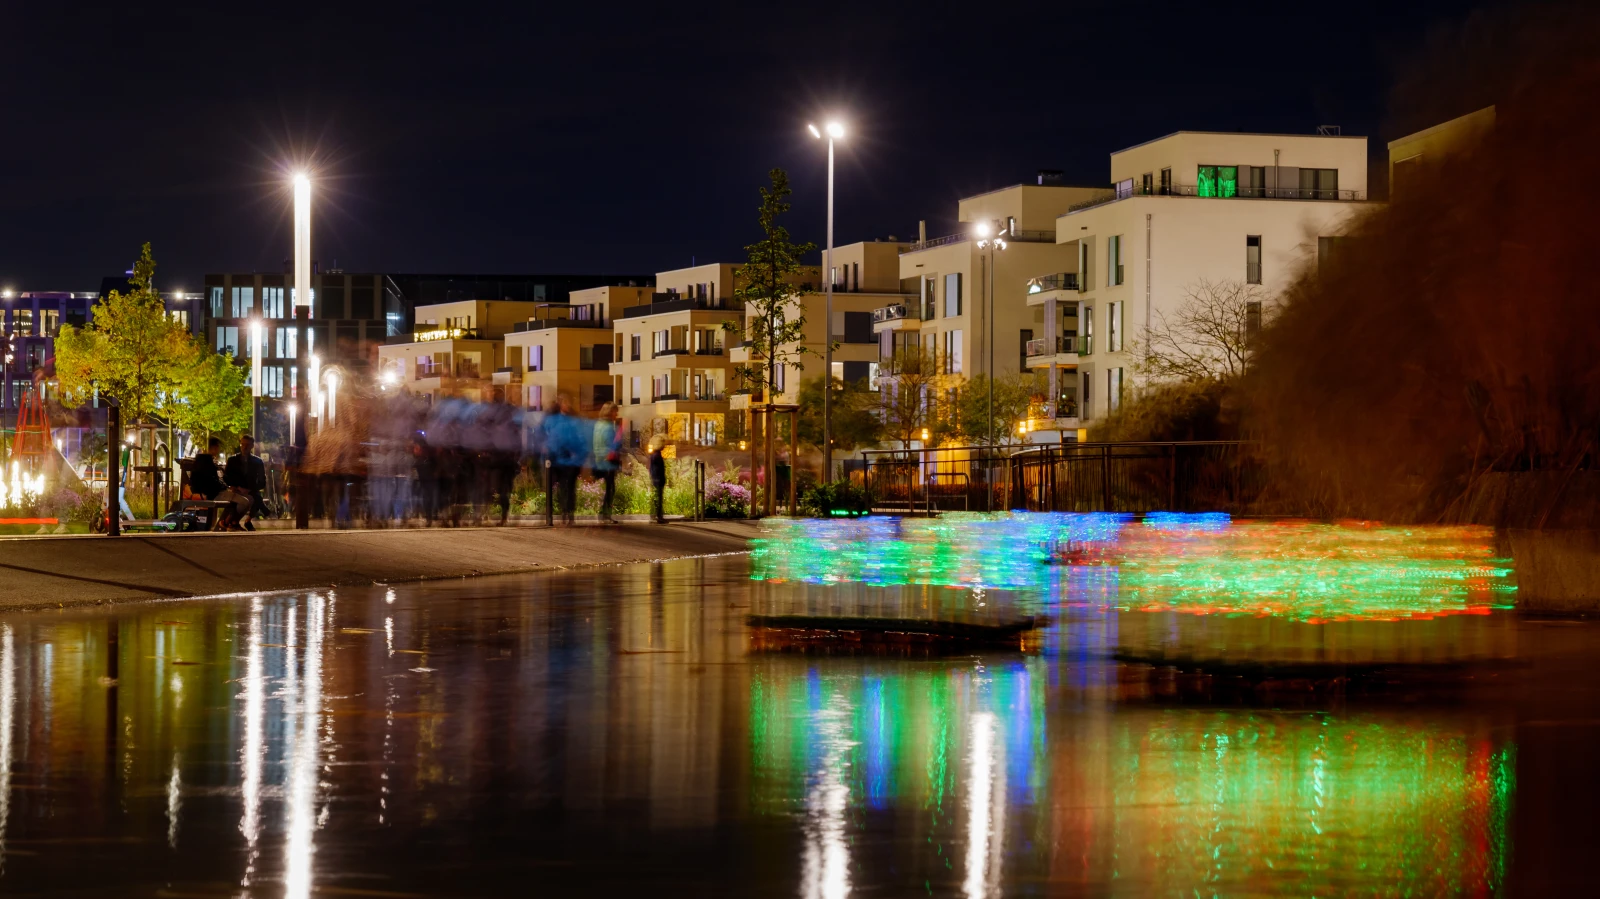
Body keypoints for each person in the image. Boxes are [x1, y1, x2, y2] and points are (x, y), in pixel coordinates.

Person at [191, 437, 251, 530]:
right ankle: (227, 523)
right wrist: (225, 488)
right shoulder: (205, 461)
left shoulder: (207, 460)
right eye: (217, 448)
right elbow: (210, 481)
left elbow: (216, 479)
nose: (218, 450)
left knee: (246, 500)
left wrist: (228, 487)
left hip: (215, 491)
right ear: (213, 448)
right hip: (212, 493)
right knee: (245, 502)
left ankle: (226, 524)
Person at [223, 433, 268, 531]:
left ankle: (234, 521)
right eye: (242, 444)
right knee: (255, 497)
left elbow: (262, 481)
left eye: (247, 445)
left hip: (249, 489)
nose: (244, 447)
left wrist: (248, 489)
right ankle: (236, 521)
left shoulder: (258, 462)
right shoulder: (232, 460)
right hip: (236, 489)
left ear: (252, 446)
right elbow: (226, 477)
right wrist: (233, 486)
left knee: (254, 496)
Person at [592, 403, 623, 524]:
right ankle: (605, 513)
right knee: (611, 488)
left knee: (608, 487)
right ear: (610, 413)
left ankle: (603, 513)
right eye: (615, 412)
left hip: (599, 459)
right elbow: (613, 445)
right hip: (608, 460)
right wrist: (619, 433)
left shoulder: (598, 425)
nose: (616, 414)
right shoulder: (609, 427)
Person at [647, 434, 668, 524]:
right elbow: (658, 469)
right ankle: (659, 517)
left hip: (655, 478)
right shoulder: (657, 456)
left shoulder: (653, 455)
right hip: (658, 479)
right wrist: (660, 479)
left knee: (656, 498)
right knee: (658, 498)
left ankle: (655, 516)